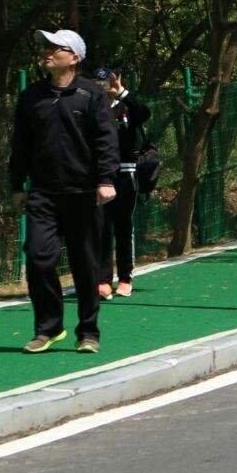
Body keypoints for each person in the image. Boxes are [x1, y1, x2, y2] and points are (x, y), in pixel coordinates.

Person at [9, 29, 119, 354]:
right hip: (43, 194)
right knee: (40, 259)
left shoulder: (91, 96)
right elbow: (20, 145)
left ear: (74, 57)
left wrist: (106, 179)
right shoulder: (31, 97)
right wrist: (17, 184)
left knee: (85, 265)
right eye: (46, 46)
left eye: (56, 48)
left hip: (84, 193)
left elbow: (105, 140)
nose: (48, 52)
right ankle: (49, 327)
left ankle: (88, 332)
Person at [91, 65, 149, 300]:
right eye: (99, 85)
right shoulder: (91, 109)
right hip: (100, 177)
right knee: (102, 228)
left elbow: (144, 113)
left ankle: (125, 277)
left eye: (108, 84)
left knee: (123, 228)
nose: (105, 89)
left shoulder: (127, 108)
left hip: (126, 174)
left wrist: (122, 91)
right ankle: (103, 279)